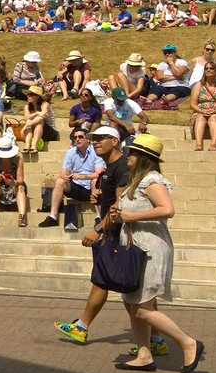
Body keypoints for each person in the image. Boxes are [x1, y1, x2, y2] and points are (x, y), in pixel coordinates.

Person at [54, 126, 164, 353]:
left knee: (129, 291)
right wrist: (100, 195)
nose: (95, 142)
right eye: (93, 139)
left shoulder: (123, 166)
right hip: (115, 232)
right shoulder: (111, 167)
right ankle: (155, 340)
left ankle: (157, 340)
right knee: (115, 284)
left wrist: (98, 230)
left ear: (115, 141)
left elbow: (120, 204)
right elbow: (116, 197)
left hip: (118, 232)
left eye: (101, 138)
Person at [111, 135, 205, 373]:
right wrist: (119, 214)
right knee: (133, 306)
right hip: (136, 249)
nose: (127, 155)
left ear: (142, 157)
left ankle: (188, 342)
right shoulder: (137, 181)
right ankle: (144, 355)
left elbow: (167, 209)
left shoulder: (151, 180)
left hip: (150, 250)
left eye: (131, 152)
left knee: (143, 308)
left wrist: (131, 216)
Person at [38, 127, 105, 227]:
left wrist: (83, 177)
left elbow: (99, 173)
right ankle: (53, 216)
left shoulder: (96, 152)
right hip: (76, 186)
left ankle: (99, 217)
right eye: (75, 137)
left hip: (92, 186)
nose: (77, 139)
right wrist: (66, 177)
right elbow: (63, 172)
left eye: (80, 137)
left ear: (88, 139)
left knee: (95, 180)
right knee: (60, 181)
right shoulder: (71, 152)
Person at [189, 63, 216, 152]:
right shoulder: (199, 85)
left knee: (214, 118)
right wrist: (202, 111)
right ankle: (198, 144)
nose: (208, 70)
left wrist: (215, 111)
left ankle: (214, 144)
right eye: (206, 68)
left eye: (211, 68)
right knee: (200, 118)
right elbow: (193, 104)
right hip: (200, 111)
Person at [0, 135, 28, 227]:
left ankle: (22, 216)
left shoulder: (18, 160)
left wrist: (14, 182)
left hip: (14, 186)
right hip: (0, 187)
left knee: (20, 188)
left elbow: (20, 180)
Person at [20, 85, 57, 154]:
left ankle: (34, 146)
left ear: (37, 96)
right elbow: (26, 118)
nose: (28, 96)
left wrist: (26, 126)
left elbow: (41, 117)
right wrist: (36, 113)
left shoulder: (45, 104)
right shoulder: (27, 106)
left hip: (49, 132)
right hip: (35, 130)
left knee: (39, 122)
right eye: (28, 94)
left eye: (31, 94)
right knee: (29, 120)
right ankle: (27, 145)